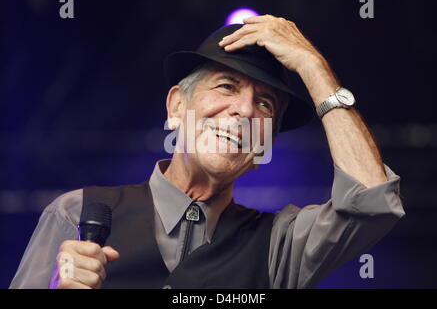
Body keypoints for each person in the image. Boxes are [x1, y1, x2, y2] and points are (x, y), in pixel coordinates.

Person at [10, 15, 405, 289]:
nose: (245, 111)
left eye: (265, 104)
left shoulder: (281, 245)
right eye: (226, 87)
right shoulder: (76, 213)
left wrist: (314, 66)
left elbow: (373, 200)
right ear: (176, 107)